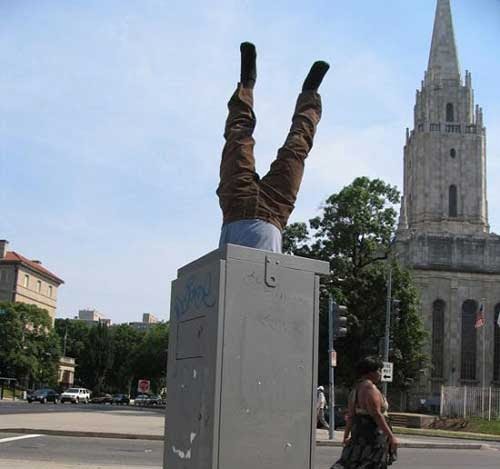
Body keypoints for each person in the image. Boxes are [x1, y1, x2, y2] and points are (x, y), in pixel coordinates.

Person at [217, 42, 329, 253]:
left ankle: (246, 84)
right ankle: (309, 94)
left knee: (237, 138)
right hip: (275, 208)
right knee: (295, 151)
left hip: (236, 200)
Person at [331, 357, 399, 469]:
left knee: (355, 463)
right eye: (378, 370)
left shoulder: (356, 389)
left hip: (359, 435)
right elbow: (377, 414)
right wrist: (391, 437)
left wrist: (346, 436)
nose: (380, 374)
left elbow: (351, 416)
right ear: (370, 372)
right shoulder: (369, 388)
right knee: (372, 464)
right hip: (373, 436)